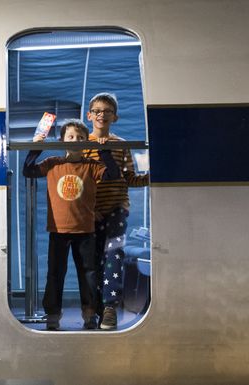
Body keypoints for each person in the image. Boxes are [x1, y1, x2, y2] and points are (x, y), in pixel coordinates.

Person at [23, 119, 121, 330]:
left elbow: (114, 174)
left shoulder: (92, 166)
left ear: (87, 142)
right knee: (55, 274)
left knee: (88, 275)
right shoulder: (53, 163)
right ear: (62, 140)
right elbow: (28, 171)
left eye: (80, 137)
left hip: (85, 231)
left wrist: (104, 151)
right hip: (58, 230)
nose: (75, 140)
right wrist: (36, 147)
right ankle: (53, 315)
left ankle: (90, 314)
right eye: (70, 137)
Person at [82, 92, 149, 330]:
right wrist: (88, 209)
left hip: (117, 209)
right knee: (92, 260)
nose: (102, 115)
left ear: (115, 117)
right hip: (90, 213)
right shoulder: (81, 145)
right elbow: (77, 181)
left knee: (114, 255)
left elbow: (129, 177)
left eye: (107, 111)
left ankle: (110, 308)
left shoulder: (121, 146)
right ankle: (94, 309)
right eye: (98, 111)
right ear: (89, 115)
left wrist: (151, 178)